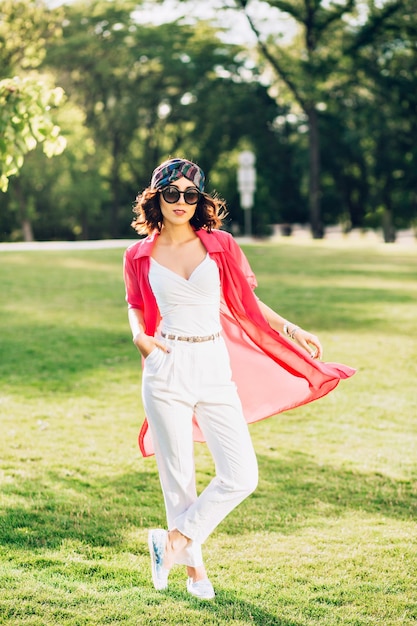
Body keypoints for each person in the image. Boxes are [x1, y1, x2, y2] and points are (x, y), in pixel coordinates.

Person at [123, 157, 355, 600]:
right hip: (166, 365)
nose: (181, 202)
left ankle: (171, 542)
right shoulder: (138, 254)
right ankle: (196, 575)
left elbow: (248, 301)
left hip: (212, 363)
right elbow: (134, 302)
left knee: (242, 474)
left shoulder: (221, 245)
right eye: (172, 193)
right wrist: (140, 336)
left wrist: (292, 328)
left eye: (190, 195)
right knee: (178, 478)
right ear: (156, 197)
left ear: (199, 201)